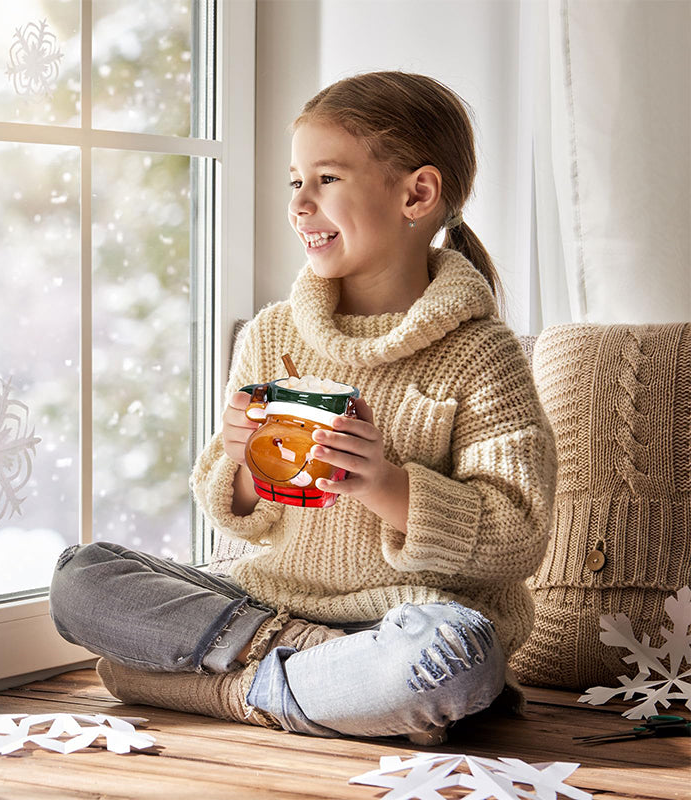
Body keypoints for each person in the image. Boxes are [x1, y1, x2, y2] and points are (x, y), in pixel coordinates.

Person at [49, 71, 557, 744]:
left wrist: (387, 485)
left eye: (326, 179)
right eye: (296, 182)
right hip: (267, 603)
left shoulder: (481, 354)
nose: (299, 204)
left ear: (417, 193)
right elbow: (236, 517)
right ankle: (304, 676)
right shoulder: (273, 334)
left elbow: (519, 533)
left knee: (454, 661)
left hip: (408, 621)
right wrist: (237, 462)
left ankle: (222, 688)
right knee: (82, 579)